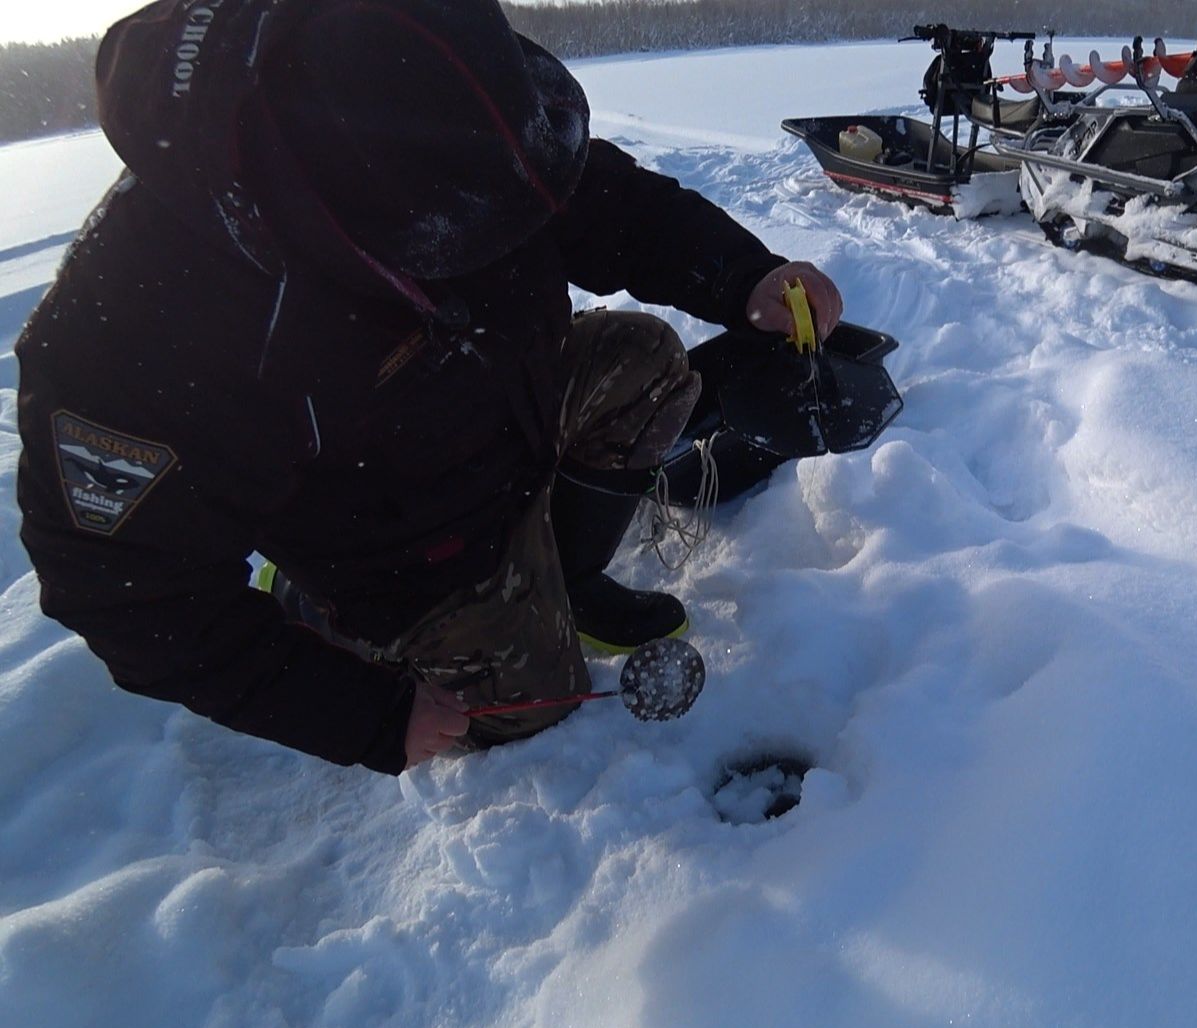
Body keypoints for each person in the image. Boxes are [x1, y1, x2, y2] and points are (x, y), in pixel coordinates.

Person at [14, 0, 842, 773]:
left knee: (646, 365)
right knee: (522, 711)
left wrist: (744, 276)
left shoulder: (448, 95)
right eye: (481, 227)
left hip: (501, 412)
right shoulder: (138, 327)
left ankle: (562, 572)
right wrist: (366, 715)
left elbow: (604, 201)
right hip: (391, 549)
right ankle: (335, 619)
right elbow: (124, 589)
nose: (526, 221)